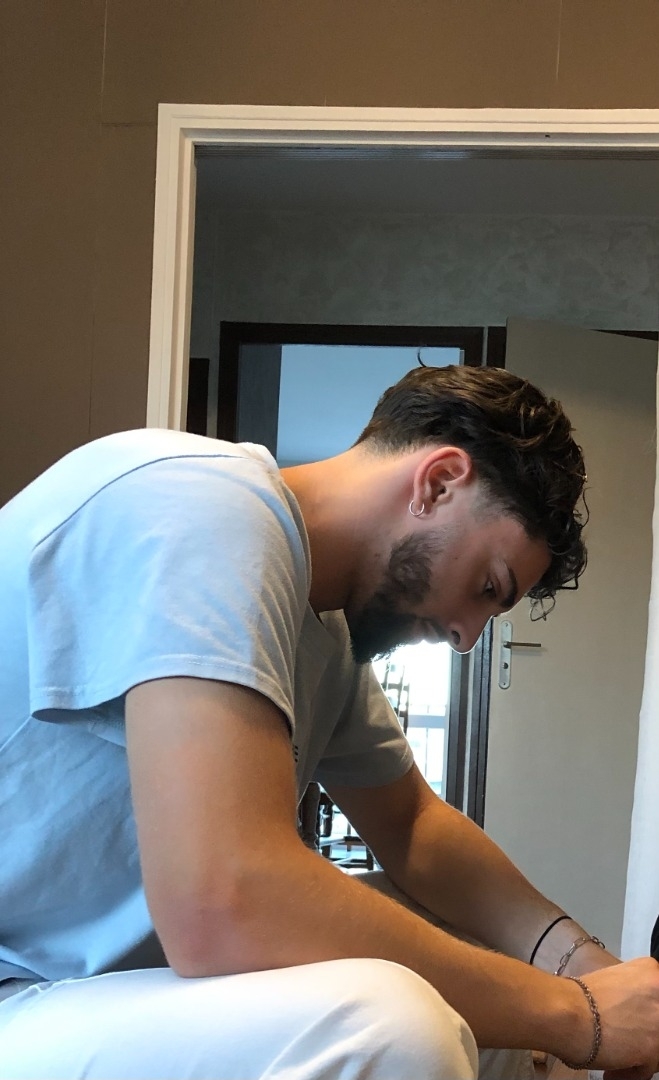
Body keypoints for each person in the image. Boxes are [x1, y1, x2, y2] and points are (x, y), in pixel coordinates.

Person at [1, 363, 659, 1080]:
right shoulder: (203, 505)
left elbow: (412, 825)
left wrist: (583, 969)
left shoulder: (325, 635)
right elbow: (221, 898)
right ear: (438, 482)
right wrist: (576, 1016)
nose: (466, 636)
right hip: (18, 982)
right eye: (485, 586)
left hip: (88, 990)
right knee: (393, 1025)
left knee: (477, 961)